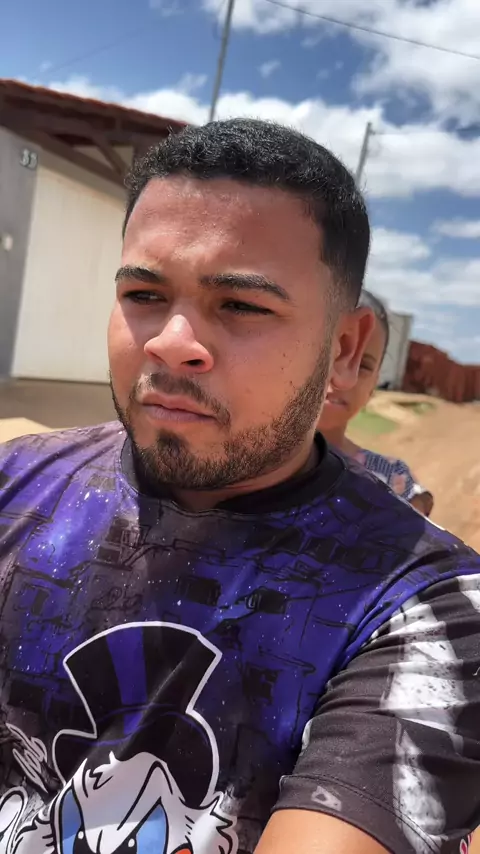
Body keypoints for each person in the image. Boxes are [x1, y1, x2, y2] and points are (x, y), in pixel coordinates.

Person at [0, 119, 479, 854]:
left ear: (345, 347)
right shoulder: (17, 486)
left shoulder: (426, 611)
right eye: (144, 293)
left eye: (241, 305)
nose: (171, 343)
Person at [318, 290, 434, 516]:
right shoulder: (249, 466)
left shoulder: (392, 481)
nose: (342, 377)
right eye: (326, 355)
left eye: (363, 366)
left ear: (374, 385)